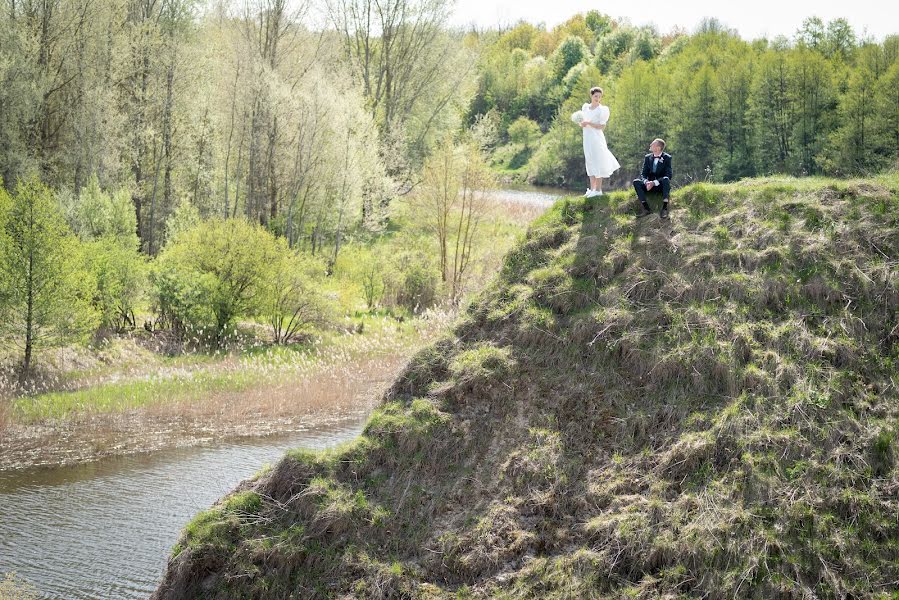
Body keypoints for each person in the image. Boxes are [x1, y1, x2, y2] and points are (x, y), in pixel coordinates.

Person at [579, 87, 620, 198]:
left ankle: (598, 190)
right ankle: (592, 189)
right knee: (590, 161)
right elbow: (583, 122)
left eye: (599, 96)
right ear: (591, 96)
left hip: (596, 138)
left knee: (598, 161)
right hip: (587, 138)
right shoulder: (585, 108)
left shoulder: (602, 110)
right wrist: (582, 124)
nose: (597, 98)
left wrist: (589, 123)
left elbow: (602, 126)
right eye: (595, 96)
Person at [633, 138, 672, 219]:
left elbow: (668, 175)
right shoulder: (647, 157)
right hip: (648, 185)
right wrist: (646, 182)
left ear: (658, 148)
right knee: (636, 182)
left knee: (666, 179)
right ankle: (646, 208)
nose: (650, 145)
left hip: (660, 185)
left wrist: (654, 182)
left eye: (652, 144)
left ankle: (664, 208)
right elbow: (643, 174)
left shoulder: (667, 158)